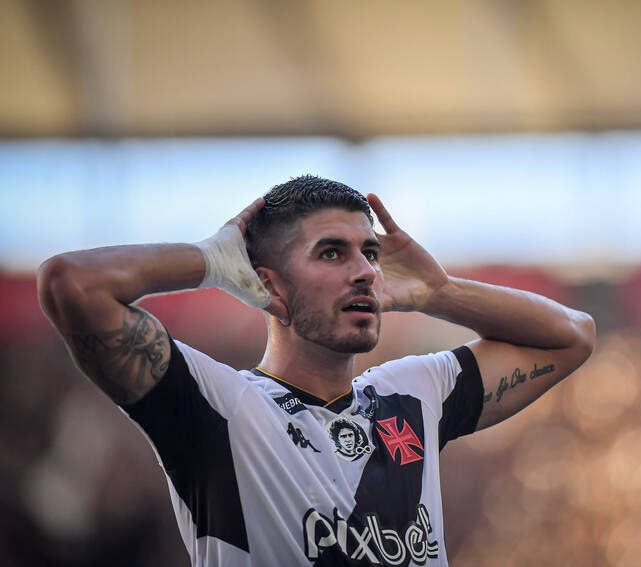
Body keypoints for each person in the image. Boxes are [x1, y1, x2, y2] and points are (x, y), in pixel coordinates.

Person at [37, 175, 595, 566]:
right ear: (268, 283)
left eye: (369, 253)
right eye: (332, 253)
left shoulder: (415, 393)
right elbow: (72, 285)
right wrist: (210, 261)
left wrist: (439, 292)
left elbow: (573, 335)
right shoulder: (218, 406)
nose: (364, 273)